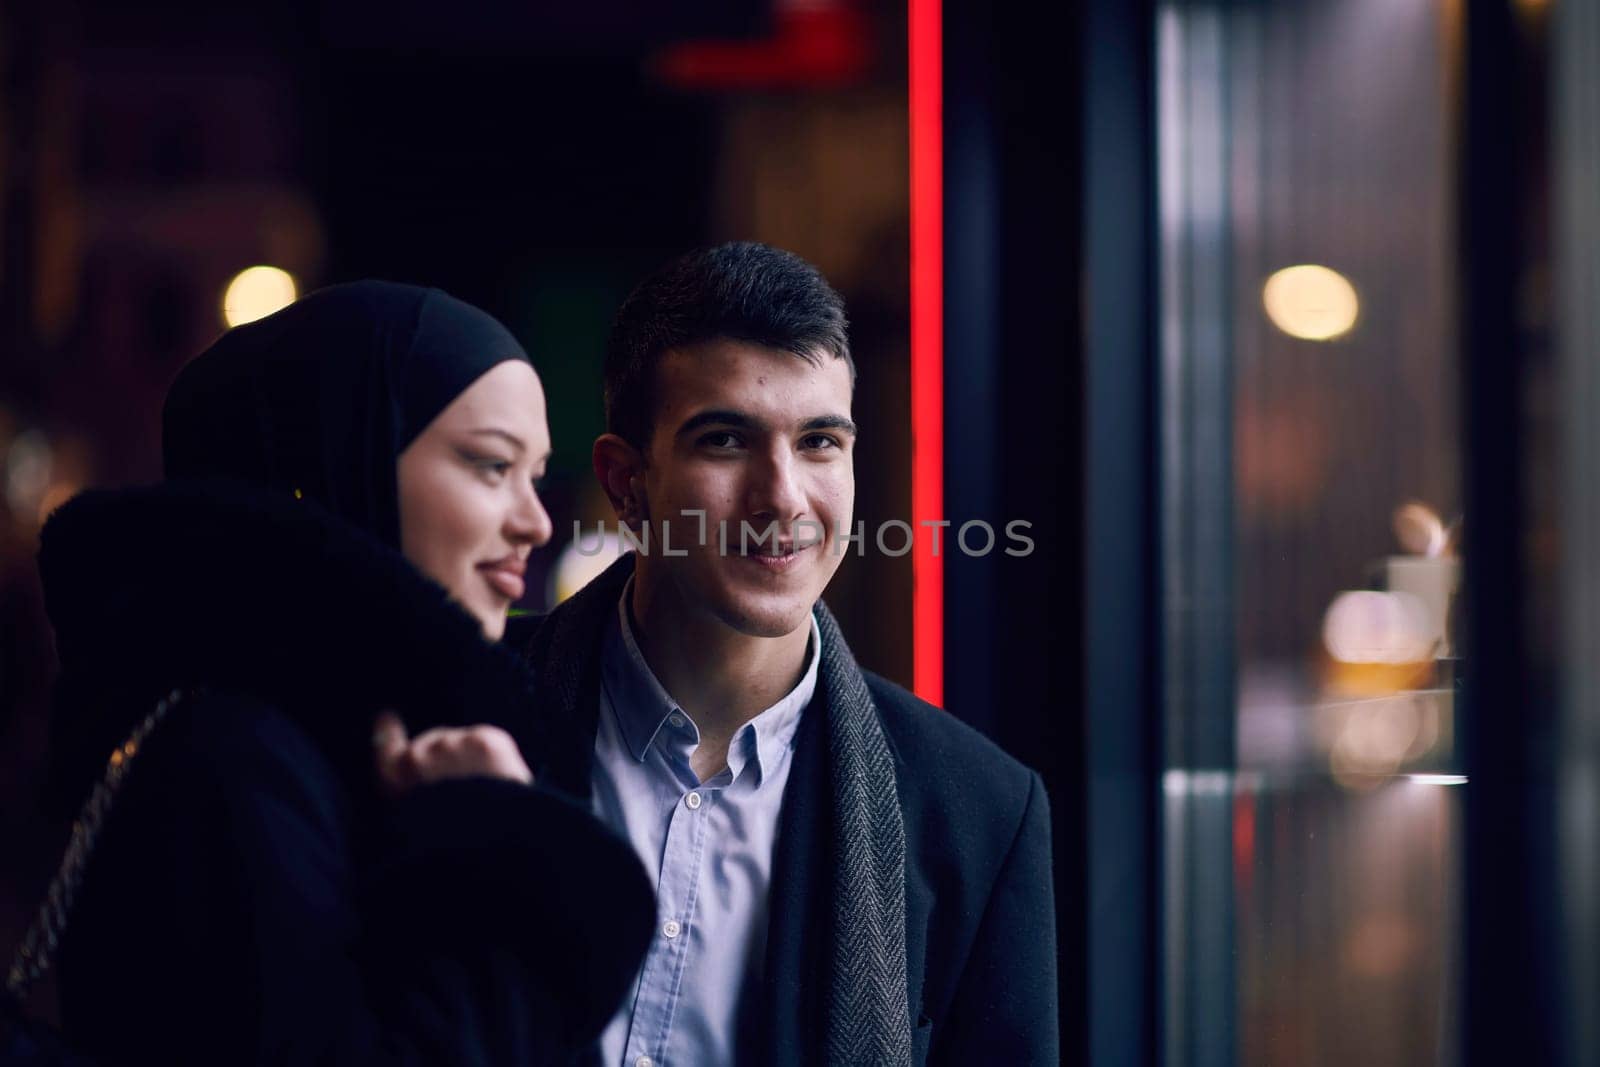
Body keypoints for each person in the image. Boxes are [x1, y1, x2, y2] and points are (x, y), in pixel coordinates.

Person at [30, 282, 652, 1064]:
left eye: (535, 475)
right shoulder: (233, 761)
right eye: (493, 465)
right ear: (344, 455)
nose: (534, 521)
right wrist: (490, 840)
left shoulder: (359, 736)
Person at [510, 243, 1059, 1066]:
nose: (784, 498)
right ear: (628, 483)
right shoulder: (464, 704)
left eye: (818, 442)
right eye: (726, 440)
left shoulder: (979, 811)